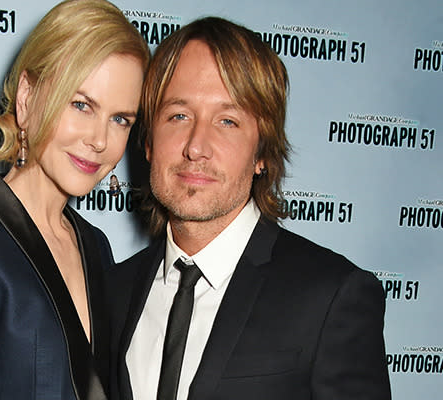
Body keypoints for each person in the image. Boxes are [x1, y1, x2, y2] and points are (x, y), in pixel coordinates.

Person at [109, 17, 391, 400]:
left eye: (227, 121)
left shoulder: (331, 296)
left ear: (262, 152)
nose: (196, 147)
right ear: (148, 141)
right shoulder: (112, 291)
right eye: (178, 115)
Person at [0, 1, 149, 399]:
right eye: (81, 105)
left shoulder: (96, 246)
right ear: (26, 98)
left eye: (120, 119)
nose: (100, 140)